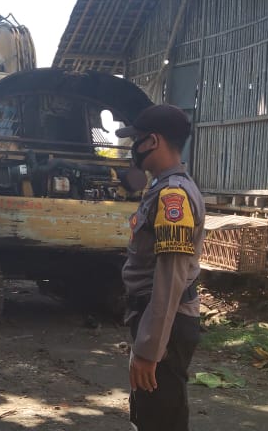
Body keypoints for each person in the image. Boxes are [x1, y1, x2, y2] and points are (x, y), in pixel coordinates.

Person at [116, 104, 206, 431]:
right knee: (149, 413)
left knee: (161, 419)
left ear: (152, 141)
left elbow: (170, 280)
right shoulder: (160, 189)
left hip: (165, 324)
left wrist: (150, 349)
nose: (133, 148)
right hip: (158, 321)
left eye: (136, 140)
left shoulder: (174, 197)